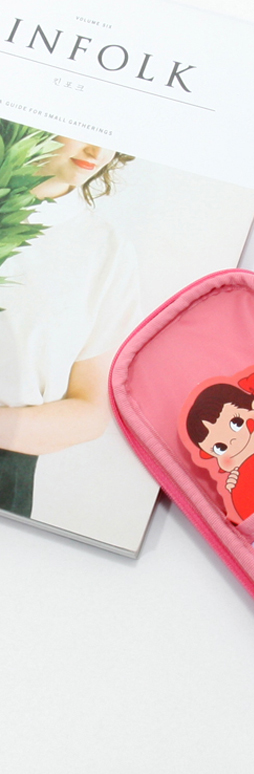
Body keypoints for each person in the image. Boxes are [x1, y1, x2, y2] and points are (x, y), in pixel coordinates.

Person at [0, 132, 140, 517]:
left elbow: (91, 411)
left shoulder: (106, 251)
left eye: (113, 136)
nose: (98, 151)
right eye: (86, 130)